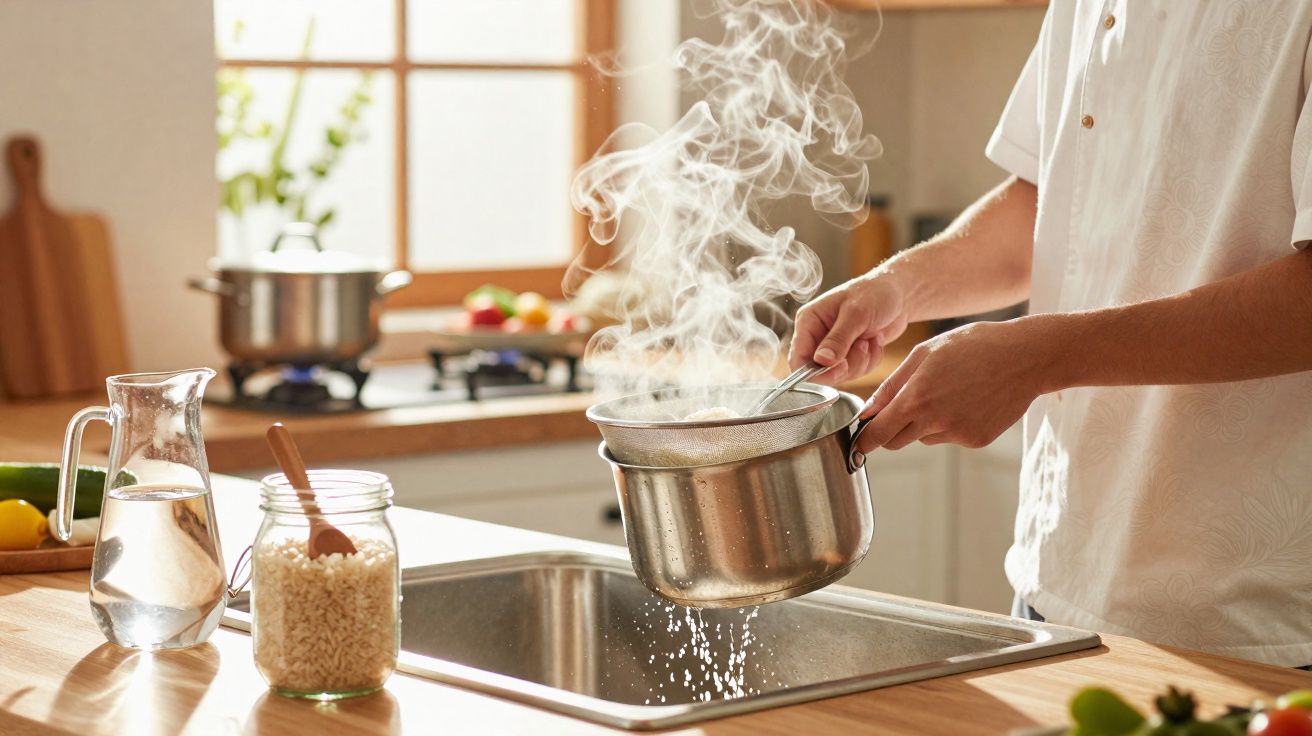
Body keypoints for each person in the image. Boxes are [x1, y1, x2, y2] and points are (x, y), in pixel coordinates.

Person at [789, 2, 1312, 667]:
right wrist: (898, 286)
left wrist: (1038, 358)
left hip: (1255, 622)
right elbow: (1044, 202)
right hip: (1054, 587)